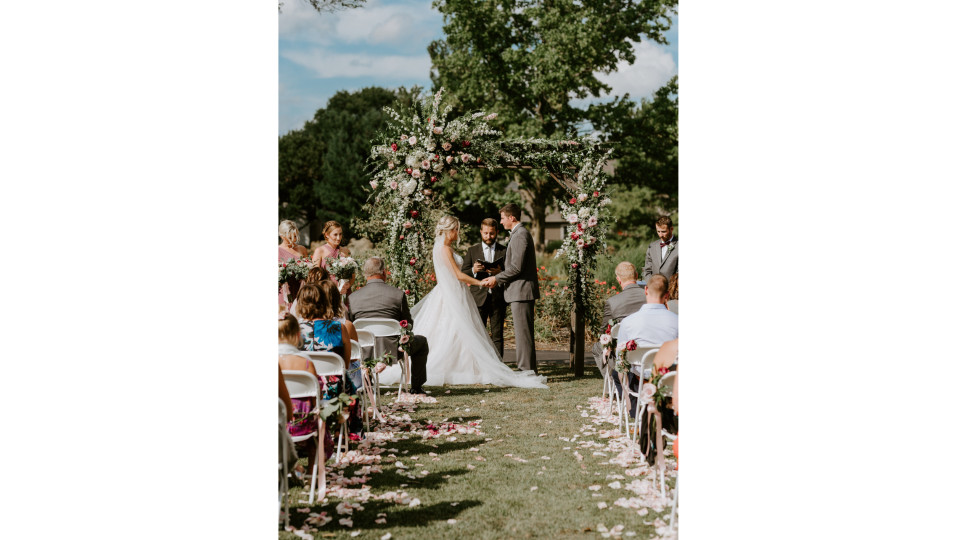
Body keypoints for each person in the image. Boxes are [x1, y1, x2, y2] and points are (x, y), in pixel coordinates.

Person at [378, 217, 547, 388]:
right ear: (449, 230)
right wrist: (480, 282)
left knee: (459, 331)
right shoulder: (444, 249)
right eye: (456, 230)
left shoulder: (443, 248)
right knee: (453, 330)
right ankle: (457, 367)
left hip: (453, 292)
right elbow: (458, 275)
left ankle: (463, 366)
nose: (457, 233)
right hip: (450, 294)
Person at [347, 256, 431, 394]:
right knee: (421, 342)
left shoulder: (352, 298)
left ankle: (367, 381)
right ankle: (416, 387)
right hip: (393, 350)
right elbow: (408, 323)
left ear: (365, 274)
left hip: (364, 351)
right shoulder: (397, 294)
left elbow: (350, 325)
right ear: (384, 272)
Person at [295, 281, 363, 437]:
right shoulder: (339, 328)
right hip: (333, 391)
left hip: (302, 390)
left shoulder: (293, 330)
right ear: (324, 302)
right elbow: (345, 364)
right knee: (348, 384)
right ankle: (346, 433)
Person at [480, 203, 540, 374]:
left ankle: (526, 371)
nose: (501, 222)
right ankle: (528, 370)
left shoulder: (520, 235)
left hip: (521, 291)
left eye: (502, 218)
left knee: (523, 335)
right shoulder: (518, 234)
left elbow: (516, 268)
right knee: (523, 334)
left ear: (511, 218)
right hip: (519, 291)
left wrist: (496, 278)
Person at [617, 274, 679, 418]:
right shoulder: (678, 321)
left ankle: (635, 411)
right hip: (670, 379)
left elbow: (620, 358)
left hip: (640, 379)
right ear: (667, 295)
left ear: (645, 290)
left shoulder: (628, 322)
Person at [591, 261, 647, 395]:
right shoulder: (648, 297)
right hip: (647, 351)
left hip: (623, 354)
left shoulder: (612, 302)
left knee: (597, 347)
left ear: (618, 279)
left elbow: (603, 332)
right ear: (637, 276)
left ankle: (615, 387)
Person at [460, 217, 508, 358]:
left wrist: (499, 273)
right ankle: (479, 363)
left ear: (497, 232)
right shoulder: (472, 250)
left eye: (491, 233)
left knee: (497, 335)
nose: (488, 236)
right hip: (478, 298)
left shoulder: (504, 250)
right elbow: (463, 273)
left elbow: (510, 272)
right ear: (481, 232)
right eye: (486, 233)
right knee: (477, 334)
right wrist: (474, 270)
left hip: (498, 298)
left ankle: (498, 364)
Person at [642, 216, 678, 282]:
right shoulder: (652, 246)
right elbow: (647, 270)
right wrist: (652, 284)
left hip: (671, 287)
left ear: (671, 229)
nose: (660, 235)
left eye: (663, 232)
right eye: (658, 231)